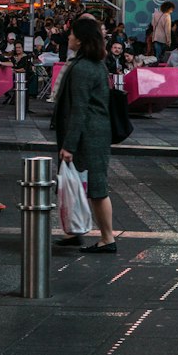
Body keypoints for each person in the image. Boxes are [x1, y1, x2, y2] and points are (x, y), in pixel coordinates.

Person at [52, 14, 116, 253]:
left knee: (97, 188)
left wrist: (69, 145)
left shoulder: (84, 68)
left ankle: (107, 239)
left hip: (89, 136)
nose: (68, 37)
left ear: (80, 40)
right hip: (94, 132)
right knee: (79, 185)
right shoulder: (94, 63)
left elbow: (79, 109)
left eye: (71, 34)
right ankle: (75, 231)